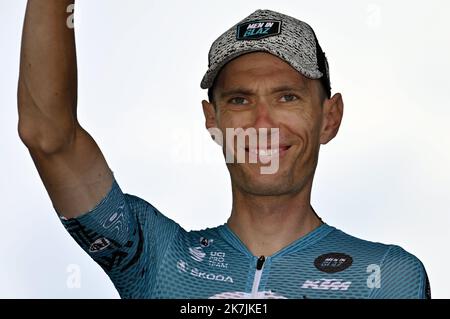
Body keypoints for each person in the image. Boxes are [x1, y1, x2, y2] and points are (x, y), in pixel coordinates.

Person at [17, 1, 430, 299]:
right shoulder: (153, 257)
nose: (263, 123)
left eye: (287, 97)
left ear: (330, 117)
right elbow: (49, 137)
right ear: (212, 121)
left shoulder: (391, 278)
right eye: (239, 100)